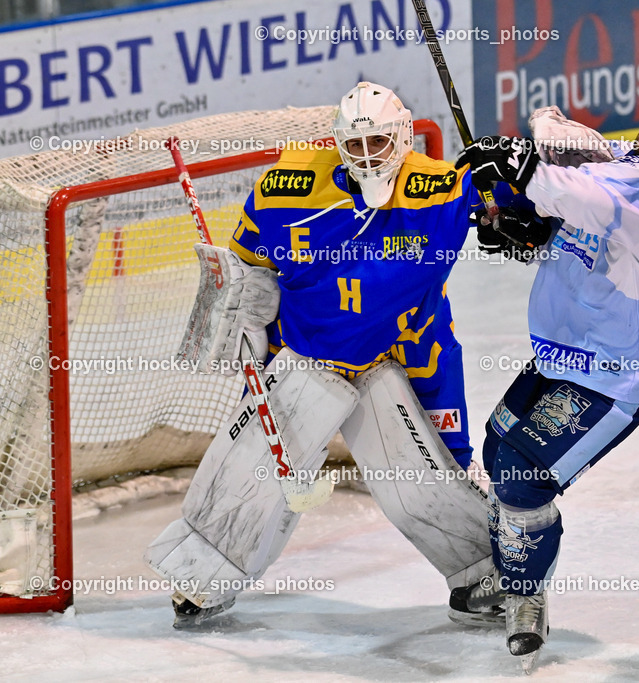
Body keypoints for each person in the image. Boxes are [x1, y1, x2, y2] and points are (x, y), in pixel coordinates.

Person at [147, 81, 499, 627]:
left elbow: (518, 206)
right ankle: (203, 576)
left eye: (379, 142)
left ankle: (485, 572)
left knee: (423, 478)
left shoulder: (439, 191)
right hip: (308, 356)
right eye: (354, 145)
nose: (366, 156)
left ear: (404, 137)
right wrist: (239, 306)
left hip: (395, 359)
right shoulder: (288, 187)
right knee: (255, 471)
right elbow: (248, 268)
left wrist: (507, 188)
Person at [453, 87, 639, 666]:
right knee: (500, 450)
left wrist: (527, 171)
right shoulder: (618, 166)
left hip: (619, 368)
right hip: (563, 352)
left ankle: (524, 595)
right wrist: (519, 222)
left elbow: (590, 202)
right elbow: (571, 215)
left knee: (525, 477)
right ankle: (513, 570)